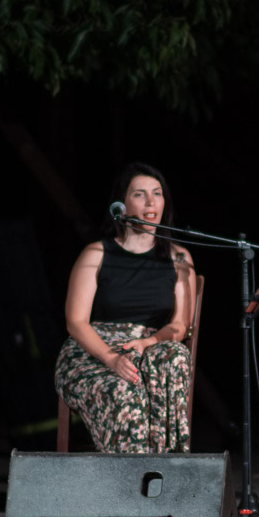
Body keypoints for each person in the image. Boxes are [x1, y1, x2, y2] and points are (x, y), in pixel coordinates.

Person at [55, 162, 194, 452]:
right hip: (94, 352)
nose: (151, 202)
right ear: (122, 205)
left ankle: (168, 462)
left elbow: (180, 324)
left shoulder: (178, 257)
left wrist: (147, 343)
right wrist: (111, 358)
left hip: (147, 349)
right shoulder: (96, 253)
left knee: (177, 355)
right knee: (125, 392)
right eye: (140, 194)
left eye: (157, 193)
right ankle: (129, 474)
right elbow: (76, 321)